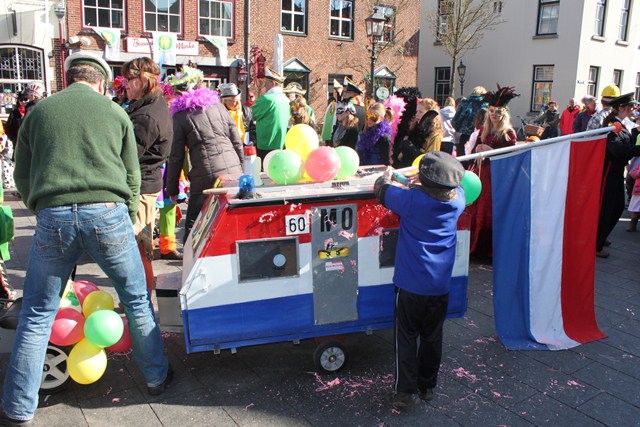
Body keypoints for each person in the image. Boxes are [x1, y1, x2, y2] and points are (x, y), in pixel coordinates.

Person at [3, 51, 170, 425]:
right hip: (108, 212)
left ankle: (18, 406)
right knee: (136, 300)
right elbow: (132, 175)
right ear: (101, 82)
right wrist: (127, 214)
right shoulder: (115, 113)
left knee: (37, 313)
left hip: (54, 214)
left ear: (68, 78)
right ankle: (157, 378)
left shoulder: (40, 113)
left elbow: (21, 173)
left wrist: (40, 205)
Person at [374, 152, 465, 409]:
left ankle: (404, 392)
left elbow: (381, 188)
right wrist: (416, 182)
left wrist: (390, 176)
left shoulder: (411, 200)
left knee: (406, 337)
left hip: (410, 285)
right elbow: (446, 190)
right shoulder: (458, 200)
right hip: (440, 285)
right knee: (432, 336)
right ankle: (427, 387)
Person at [165, 66, 243, 243]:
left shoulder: (181, 116)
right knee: (230, 217)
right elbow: (236, 141)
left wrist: (172, 189)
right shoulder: (219, 107)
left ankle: (190, 257)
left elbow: (176, 156)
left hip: (205, 174)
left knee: (195, 223)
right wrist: (240, 170)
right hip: (233, 171)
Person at [122, 57, 174, 297]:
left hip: (141, 187)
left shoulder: (146, 115)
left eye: (130, 79)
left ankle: (139, 301)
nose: (125, 84)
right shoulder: (150, 105)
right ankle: (139, 300)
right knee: (140, 246)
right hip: (145, 184)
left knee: (138, 248)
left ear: (144, 81)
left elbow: (128, 156)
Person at [468, 85, 519, 259]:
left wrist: (492, 152)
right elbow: (473, 151)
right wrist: (478, 149)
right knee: (476, 209)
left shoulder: (508, 133)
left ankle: (487, 249)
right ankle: (473, 245)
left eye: (498, 112)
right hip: (480, 175)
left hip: (496, 177)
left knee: (489, 210)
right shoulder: (483, 130)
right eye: (491, 111)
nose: (494, 115)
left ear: (504, 113)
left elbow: (511, 158)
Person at [595, 93, 640, 258]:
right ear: (621, 108)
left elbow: (627, 143)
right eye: (630, 107)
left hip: (617, 170)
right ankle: (596, 244)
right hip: (609, 170)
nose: (633, 109)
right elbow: (617, 149)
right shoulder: (612, 125)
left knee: (618, 207)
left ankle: (602, 235)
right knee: (606, 208)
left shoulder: (622, 124)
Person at [251, 67, 290, 160]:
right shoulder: (286, 100)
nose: (264, 85)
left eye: (267, 82)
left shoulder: (266, 99)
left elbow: (250, 115)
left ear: (273, 83)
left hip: (266, 143)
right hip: (281, 143)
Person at [451, 86, 487, 157]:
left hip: (464, 136)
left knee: (462, 159)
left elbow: (454, 122)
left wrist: (460, 128)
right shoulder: (485, 104)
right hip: (480, 136)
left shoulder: (464, 103)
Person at [321, 79, 343, 144]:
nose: (334, 94)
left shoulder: (340, 105)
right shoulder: (332, 104)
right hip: (329, 135)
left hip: (335, 134)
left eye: (336, 92)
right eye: (334, 92)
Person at [628, 153, 640, 232]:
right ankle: (632, 225)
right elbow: (634, 174)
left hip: (638, 190)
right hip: (638, 190)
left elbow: (633, 174)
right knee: (636, 208)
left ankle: (633, 225)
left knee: (635, 208)